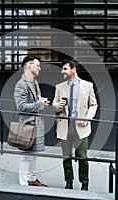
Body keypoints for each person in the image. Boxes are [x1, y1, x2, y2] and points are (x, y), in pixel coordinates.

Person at [52, 59, 98, 191]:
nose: (62, 71)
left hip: (82, 126)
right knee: (66, 156)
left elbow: (93, 105)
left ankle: (84, 183)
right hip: (65, 125)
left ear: (73, 69)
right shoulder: (59, 87)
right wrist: (57, 106)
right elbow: (54, 105)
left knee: (82, 156)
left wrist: (88, 118)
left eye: (65, 69)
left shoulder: (87, 85)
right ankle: (68, 182)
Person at [14, 55, 49, 187]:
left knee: (34, 154)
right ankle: (23, 184)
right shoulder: (21, 85)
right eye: (37, 65)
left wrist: (41, 101)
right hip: (28, 124)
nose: (40, 68)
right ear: (29, 65)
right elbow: (21, 107)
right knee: (26, 156)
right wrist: (39, 103)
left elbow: (35, 102)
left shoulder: (35, 83)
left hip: (36, 123)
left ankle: (32, 179)